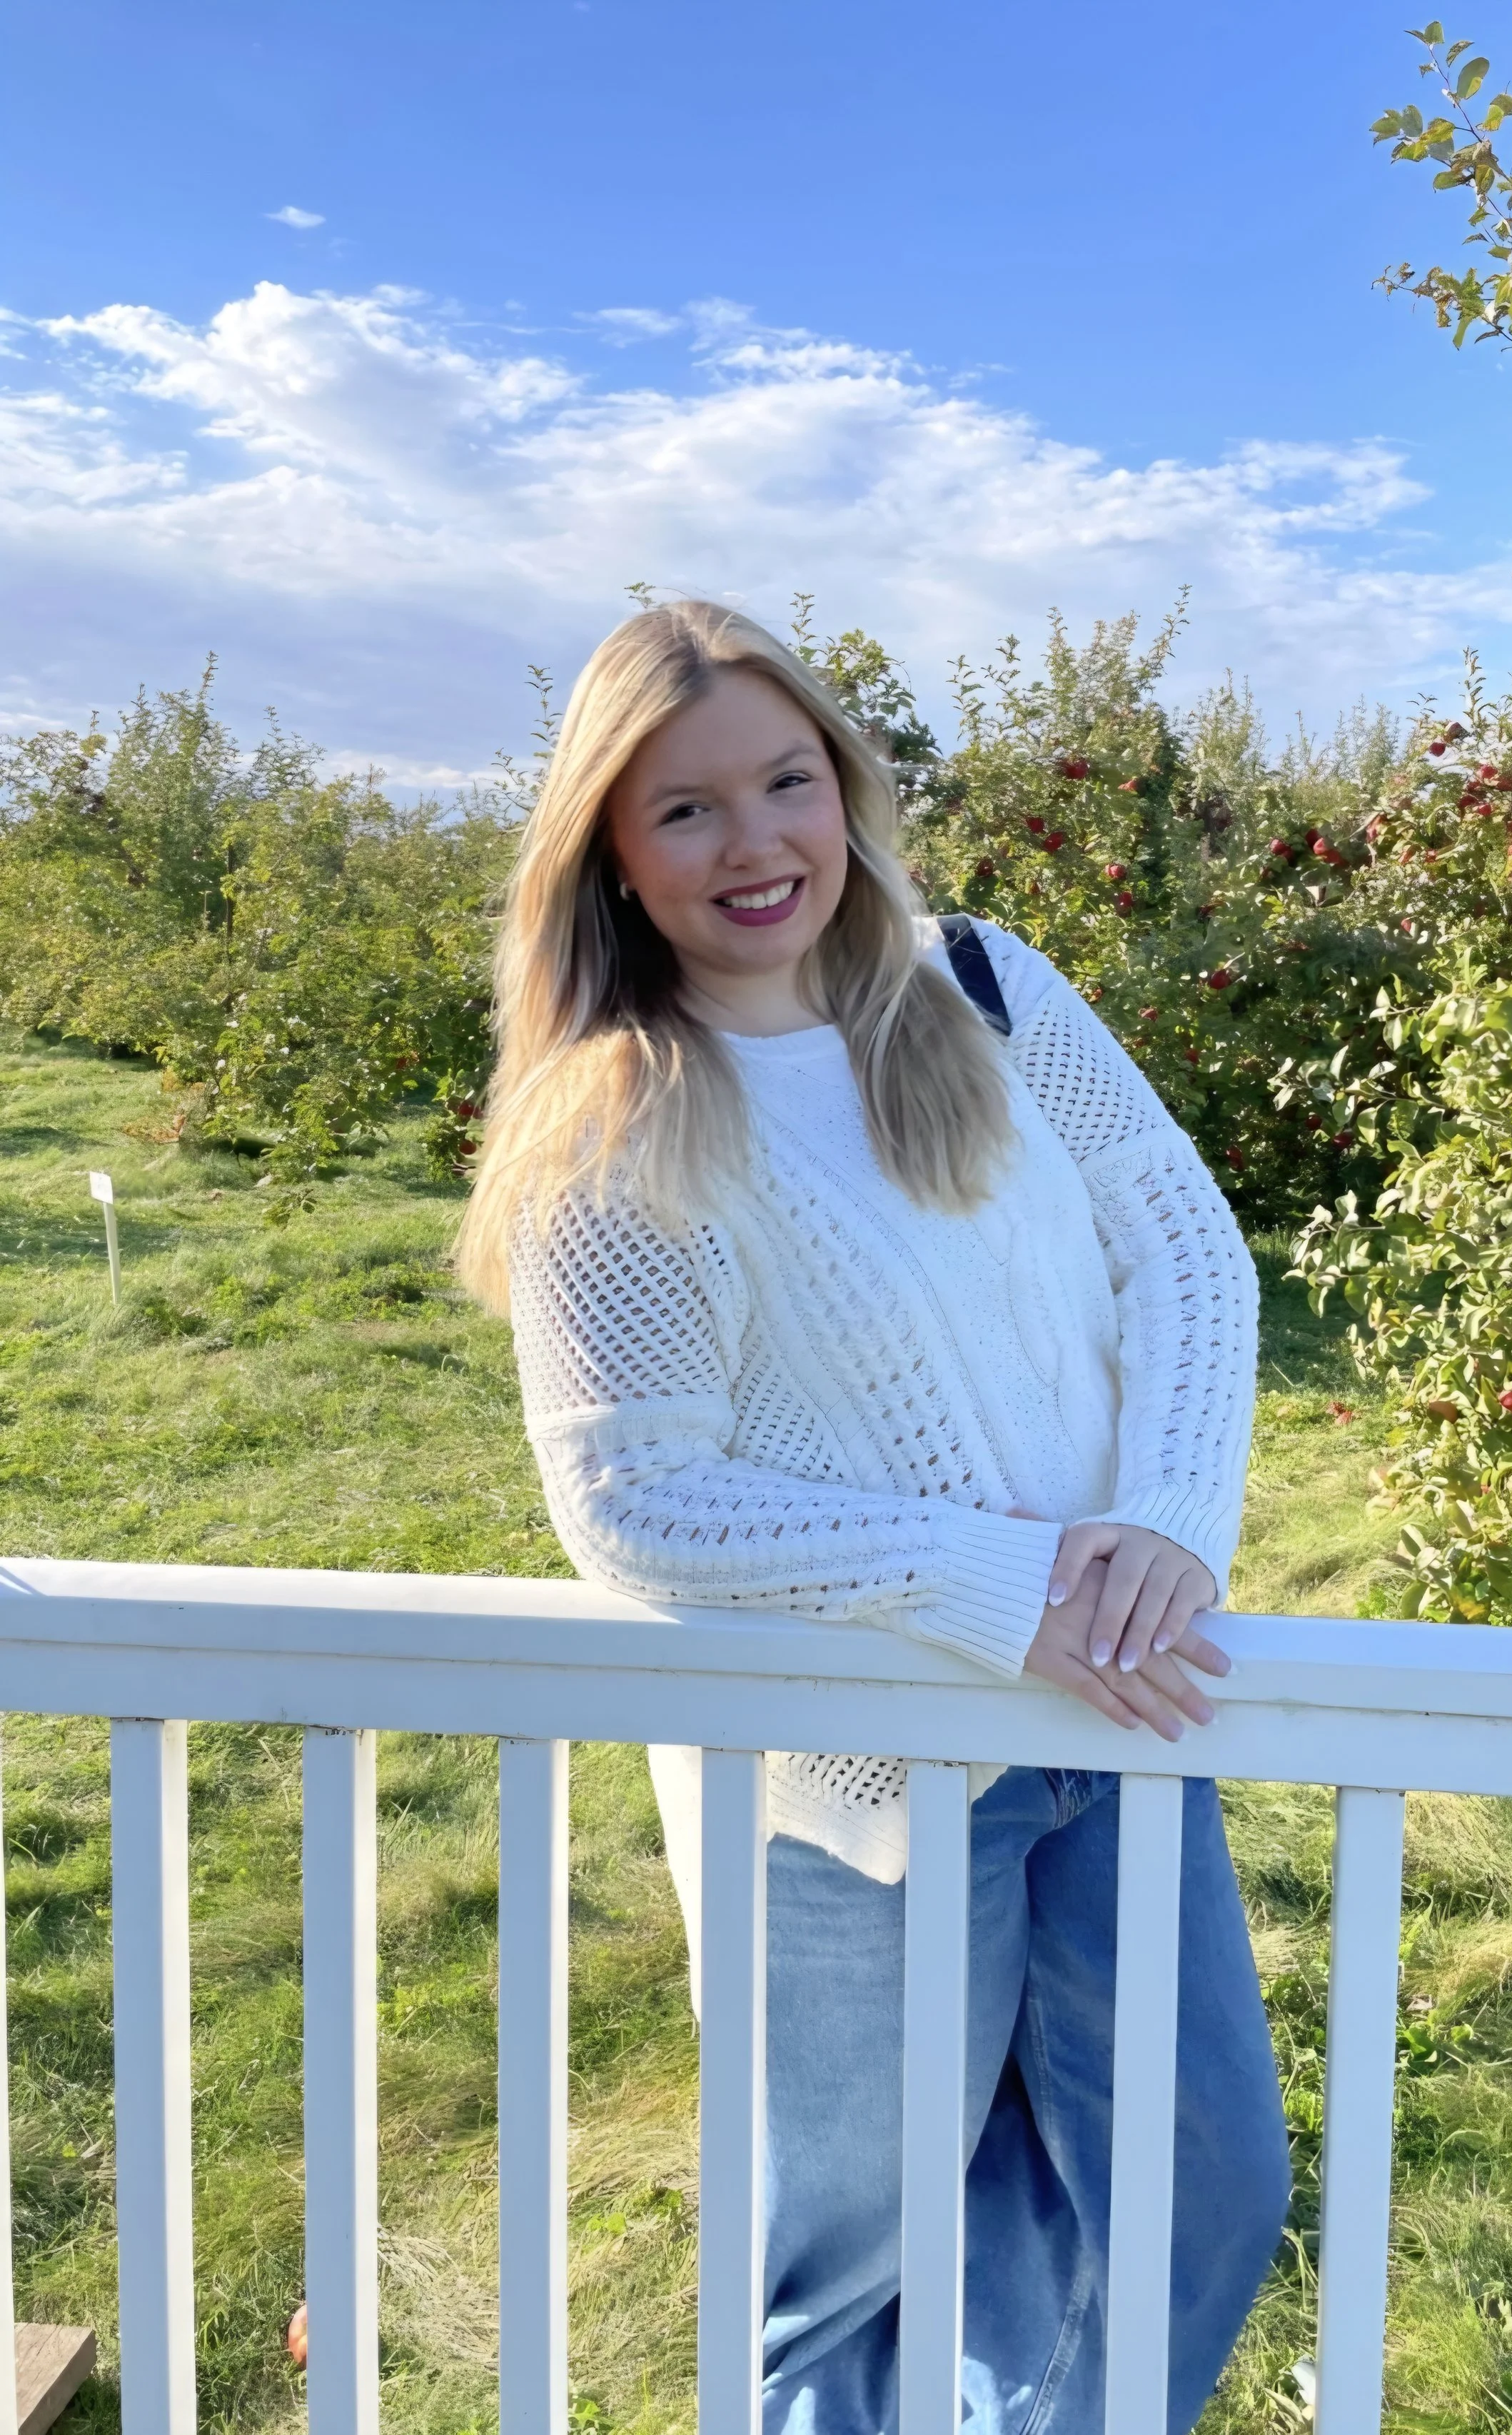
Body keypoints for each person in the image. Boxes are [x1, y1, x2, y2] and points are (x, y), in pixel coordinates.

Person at [458, 600, 1289, 2432]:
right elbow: (632, 1493)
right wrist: (1004, 1583)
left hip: (1111, 1711)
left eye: (785, 780)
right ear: (607, 846)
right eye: (684, 810)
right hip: (837, 1784)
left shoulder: (981, 985)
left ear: (844, 786)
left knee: (1198, 2189)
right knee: (846, 2267)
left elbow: (1182, 1245)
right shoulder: (618, 1120)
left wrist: (1163, 1519)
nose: (755, 844)